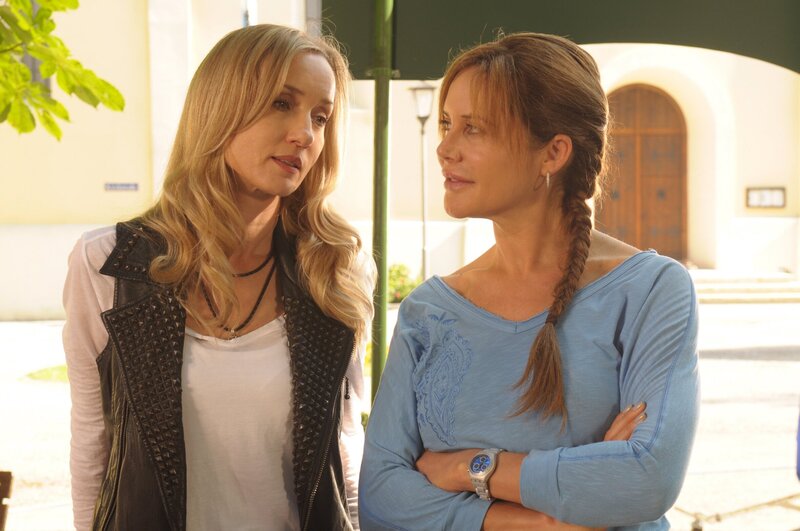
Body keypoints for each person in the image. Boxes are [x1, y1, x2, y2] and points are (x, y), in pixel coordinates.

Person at [359, 32, 699, 530]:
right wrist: (548, 521)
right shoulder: (429, 311)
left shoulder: (650, 291)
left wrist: (469, 468)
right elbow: (381, 498)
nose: (445, 149)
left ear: (552, 153)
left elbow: (647, 477)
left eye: (474, 129)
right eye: (447, 124)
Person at [63, 24, 373, 531]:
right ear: (220, 108)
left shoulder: (335, 268)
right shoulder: (107, 265)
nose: (305, 134)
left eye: (321, 117)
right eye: (281, 103)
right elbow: (93, 443)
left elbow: (345, 448)